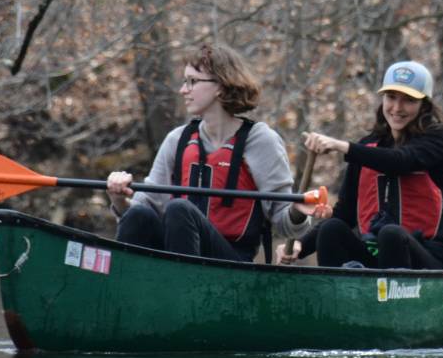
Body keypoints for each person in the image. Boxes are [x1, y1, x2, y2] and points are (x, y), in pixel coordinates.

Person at [105, 43, 314, 261]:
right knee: (138, 214)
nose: (183, 90)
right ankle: (122, 288)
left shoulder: (261, 141)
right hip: (175, 251)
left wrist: (298, 211)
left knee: (179, 209)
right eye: (184, 81)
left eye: (192, 82)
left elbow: (286, 225)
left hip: (231, 262)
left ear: (221, 87)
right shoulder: (178, 139)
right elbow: (143, 208)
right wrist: (119, 199)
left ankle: (184, 290)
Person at [288, 60, 443, 270]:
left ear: (424, 105)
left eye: (408, 100)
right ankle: (336, 294)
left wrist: (341, 146)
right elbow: (344, 213)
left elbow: (401, 161)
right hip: (377, 255)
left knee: (391, 234)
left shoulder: (441, 139)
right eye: (391, 98)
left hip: (429, 258)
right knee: (332, 228)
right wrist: (300, 246)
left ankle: (394, 299)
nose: (397, 108)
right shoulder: (368, 146)